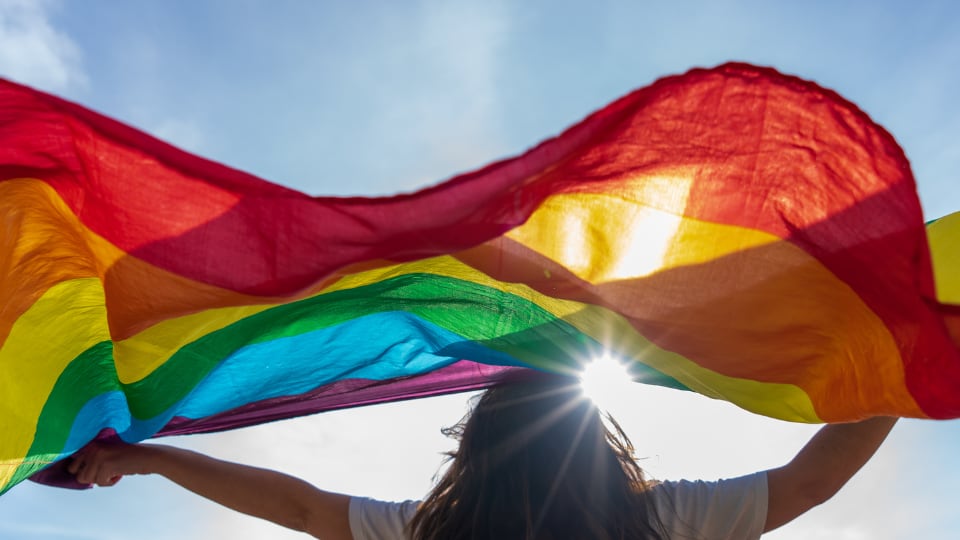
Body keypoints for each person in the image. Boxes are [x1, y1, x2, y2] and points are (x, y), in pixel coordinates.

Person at [68, 373, 897, 540]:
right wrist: (904, 379)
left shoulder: (437, 530)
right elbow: (812, 482)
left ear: (473, 450)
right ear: (597, 444)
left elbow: (302, 507)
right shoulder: (659, 520)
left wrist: (156, 460)